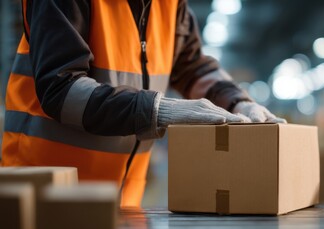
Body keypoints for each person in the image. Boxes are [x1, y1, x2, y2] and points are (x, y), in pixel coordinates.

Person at [2, 0, 286, 207]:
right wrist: (157, 110)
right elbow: (61, 89)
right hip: (44, 197)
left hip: (120, 203)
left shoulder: (168, 4)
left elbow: (193, 67)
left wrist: (238, 102)